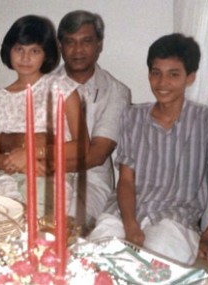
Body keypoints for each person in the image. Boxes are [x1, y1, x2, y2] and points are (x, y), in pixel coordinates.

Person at [88, 33, 208, 265]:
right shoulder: (132, 116)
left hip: (175, 220)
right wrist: (130, 226)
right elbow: (126, 180)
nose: (162, 82)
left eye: (173, 74)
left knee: (153, 267)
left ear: (190, 77)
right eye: (155, 73)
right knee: (94, 259)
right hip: (124, 214)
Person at [0, 15, 86, 217]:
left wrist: (32, 154)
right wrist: (16, 160)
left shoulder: (63, 88)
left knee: (39, 228)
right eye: (19, 49)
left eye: (35, 51)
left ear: (45, 54)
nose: (25, 57)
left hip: (51, 174)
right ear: (9, 51)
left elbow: (81, 146)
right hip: (10, 175)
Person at [52, 10, 131, 227]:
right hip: (46, 174)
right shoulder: (43, 85)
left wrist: (43, 164)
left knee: (69, 227)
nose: (78, 50)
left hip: (91, 179)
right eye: (70, 42)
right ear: (60, 46)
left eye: (86, 41)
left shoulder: (117, 92)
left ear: (99, 45)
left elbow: (96, 155)